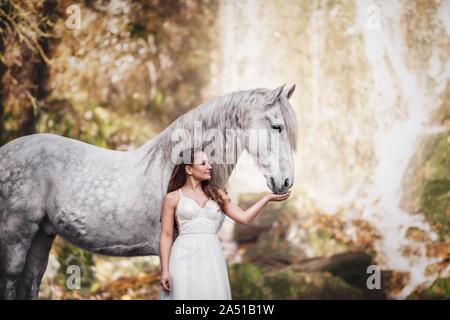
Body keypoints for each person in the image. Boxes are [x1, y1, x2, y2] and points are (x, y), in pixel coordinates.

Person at [158, 147, 291, 300]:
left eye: (208, 162)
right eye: (203, 163)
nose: (209, 166)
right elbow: (166, 235)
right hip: (183, 255)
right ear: (189, 169)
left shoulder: (217, 194)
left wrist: (266, 199)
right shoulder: (172, 198)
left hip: (211, 253)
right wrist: (165, 270)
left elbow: (244, 218)